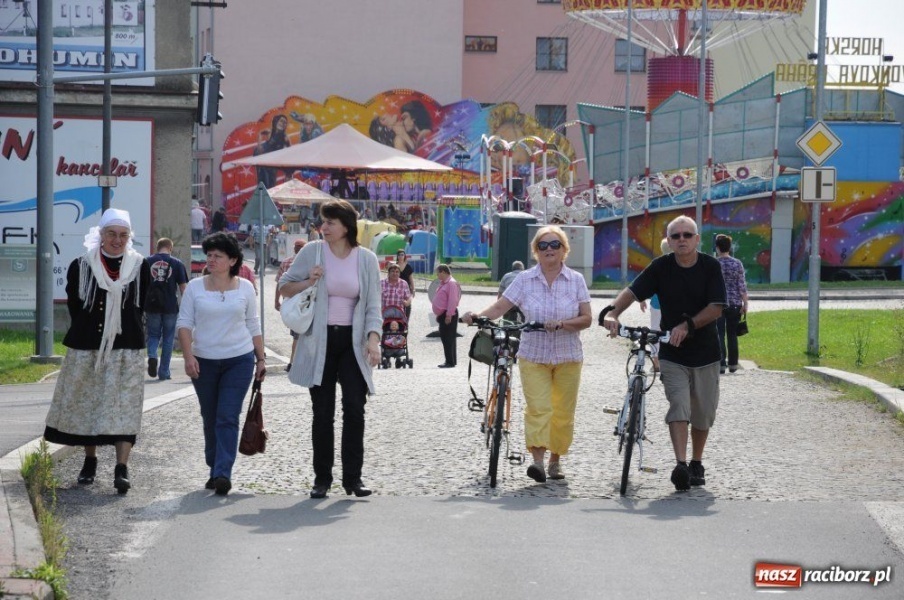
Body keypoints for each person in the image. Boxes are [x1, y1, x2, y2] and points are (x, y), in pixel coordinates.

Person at [602, 215, 726, 492]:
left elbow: (717, 307)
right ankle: (680, 464)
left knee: (704, 413)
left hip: (706, 352)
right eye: (675, 236)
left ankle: (696, 461)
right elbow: (633, 292)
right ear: (668, 241)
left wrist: (688, 324)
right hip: (672, 352)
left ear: (696, 239)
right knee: (679, 404)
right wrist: (612, 312)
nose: (681, 240)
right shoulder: (661, 267)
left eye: (687, 235)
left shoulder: (710, 266)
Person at [463, 226, 591, 482]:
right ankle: (538, 462)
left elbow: (587, 318)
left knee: (563, 412)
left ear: (564, 250)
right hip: (533, 354)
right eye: (542, 246)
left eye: (555, 244)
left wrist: (563, 324)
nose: (549, 250)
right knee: (539, 408)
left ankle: (556, 460)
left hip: (568, 355)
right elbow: (501, 306)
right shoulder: (525, 280)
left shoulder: (576, 280)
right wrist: (477, 316)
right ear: (535, 252)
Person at [278, 199, 382, 499]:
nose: (323, 227)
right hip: (319, 341)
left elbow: (374, 304)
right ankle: (321, 479)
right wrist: (309, 280)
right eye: (322, 222)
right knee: (322, 413)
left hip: (353, 342)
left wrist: (373, 341)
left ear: (346, 226)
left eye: (330, 223)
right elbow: (285, 286)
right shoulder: (312, 251)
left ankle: (353, 479)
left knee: (355, 410)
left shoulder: (366, 259)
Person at [44, 208, 151, 495]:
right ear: (101, 235)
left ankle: (121, 468)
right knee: (89, 404)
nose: (117, 240)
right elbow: (75, 307)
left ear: (130, 237)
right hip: (88, 346)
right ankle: (89, 461)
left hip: (126, 347)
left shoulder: (140, 266)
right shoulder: (82, 265)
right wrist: (96, 332)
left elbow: (141, 306)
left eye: (123, 235)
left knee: (124, 407)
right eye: (111, 234)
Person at [176, 232, 267, 496]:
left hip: (238, 360)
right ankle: (213, 465)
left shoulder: (246, 288)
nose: (211, 260)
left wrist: (260, 359)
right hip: (203, 361)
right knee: (210, 416)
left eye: (218, 256)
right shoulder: (195, 287)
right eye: (209, 255)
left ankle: (222, 473)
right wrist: (188, 355)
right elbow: (184, 323)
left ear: (232, 260)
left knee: (227, 416)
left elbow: (253, 324)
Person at [145, 237, 188, 381]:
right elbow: (183, 288)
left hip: (151, 305)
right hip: (170, 306)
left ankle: (152, 356)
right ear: (170, 248)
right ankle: (164, 372)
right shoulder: (177, 263)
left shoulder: (147, 262)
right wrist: (187, 308)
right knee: (168, 338)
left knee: (153, 335)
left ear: (158, 247)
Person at [715, 234, 749, 374]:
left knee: (720, 334)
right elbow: (741, 285)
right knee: (732, 335)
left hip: (718, 304)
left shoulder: (715, 263)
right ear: (729, 247)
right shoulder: (737, 263)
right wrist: (745, 303)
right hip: (735, 303)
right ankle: (733, 364)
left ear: (717, 248)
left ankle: (721, 364)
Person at [275, 238, 307, 371]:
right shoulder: (308, 262)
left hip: (291, 303)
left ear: (294, 249)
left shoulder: (286, 262)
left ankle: (292, 362)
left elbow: (279, 283)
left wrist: (276, 300)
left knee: (296, 336)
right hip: (305, 303)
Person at [431, 264, 461, 368]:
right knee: (446, 337)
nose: (437, 275)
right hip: (443, 314)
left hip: (449, 314)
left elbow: (452, 300)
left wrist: (449, 315)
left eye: (438, 273)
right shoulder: (444, 283)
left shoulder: (451, 283)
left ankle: (450, 361)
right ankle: (451, 360)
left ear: (443, 272)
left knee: (448, 338)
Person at [253, 114, 291, 188]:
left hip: (272, 159)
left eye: (285, 122)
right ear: (276, 121)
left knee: (271, 180)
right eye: (281, 121)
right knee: (262, 178)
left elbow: (290, 149)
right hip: (262, 156)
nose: (283, 124)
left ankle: (269, 195)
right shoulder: (270, 131)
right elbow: (260, 133)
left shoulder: (285, 137)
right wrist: (259, 145)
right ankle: (263, 193)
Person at [395, 249, 416, 317]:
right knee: (398, 305)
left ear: (405, 256)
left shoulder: (408, 266)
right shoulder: (395, 266)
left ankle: (406, 321)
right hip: (396, 288)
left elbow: (411, 279)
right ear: (397, 256)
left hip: (407, 288)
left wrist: (413, 289)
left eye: (402, 255)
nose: (401, 256)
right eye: (399, 255)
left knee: (408, 305)